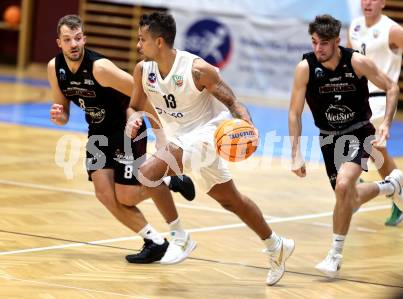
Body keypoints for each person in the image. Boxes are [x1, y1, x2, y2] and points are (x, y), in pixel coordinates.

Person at [125, 12, 294, 286]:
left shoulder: (197, 69)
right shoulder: (143, 70)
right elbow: (133, 105)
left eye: (141, 39)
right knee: (230, 200)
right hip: (179, 136)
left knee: (147, 172)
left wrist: (247, 122)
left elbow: (232, 101)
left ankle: (180, 236)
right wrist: (132, 117)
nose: (137, 45)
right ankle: (277, 245)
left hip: (209, 132)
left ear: (159, 41)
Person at [48, 14, 197, 265]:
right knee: (104, 194)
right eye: (67, 39)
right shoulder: (56, 68)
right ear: (59, 43)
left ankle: (166, 180)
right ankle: (155, 242)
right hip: (97, 131)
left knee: (126, 196)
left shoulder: (100, 68)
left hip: (126, 128)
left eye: (77, 38)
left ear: (84, 38)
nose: (73, 44)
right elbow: (62, 111)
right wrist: (58, 116)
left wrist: (160, 136)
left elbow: (144, 95)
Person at [288, 14, 403, 277]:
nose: (318, 49)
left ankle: (334, 256)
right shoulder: (306, 67)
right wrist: (295, 153)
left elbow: (392, 87)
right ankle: (391, 186)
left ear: (337, 41)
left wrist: (387, 124)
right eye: (314, 42)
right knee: (348, 197)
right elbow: (294, 112)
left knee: (346, 185)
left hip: (360, 132)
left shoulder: (357, 62)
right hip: (328, 138)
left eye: (324, 43)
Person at [348, 0, 403, 226]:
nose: (367, 2)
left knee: (369, 148)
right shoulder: (354, 26)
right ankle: (397, 197)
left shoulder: (393, 30)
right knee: (376, 156)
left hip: (382, 100)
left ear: (382, 2)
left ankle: (358, 191)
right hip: (360, 100)